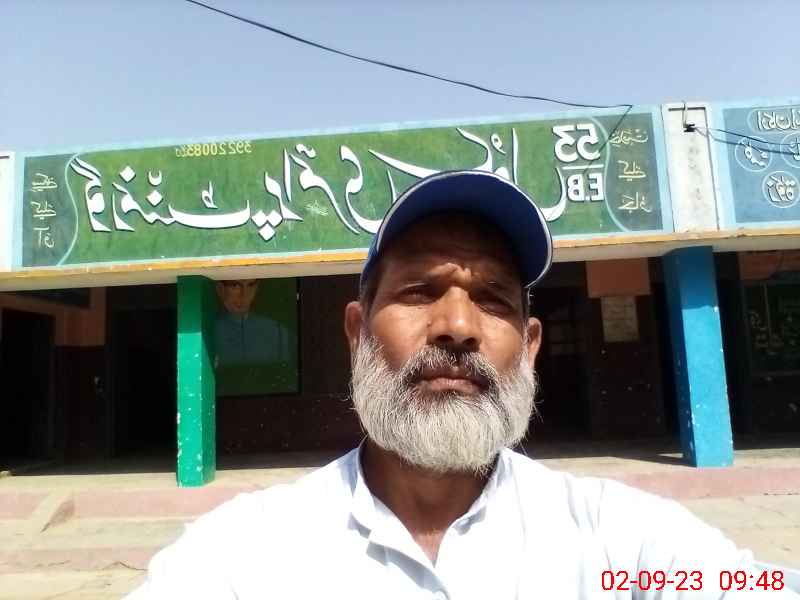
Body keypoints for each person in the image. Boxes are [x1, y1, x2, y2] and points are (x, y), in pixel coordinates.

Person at [128, 171, 796, 599]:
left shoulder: (618, 540)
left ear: (529, 348)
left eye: (494, 299)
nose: (456, 326)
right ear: (357, 333)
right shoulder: (246, 554)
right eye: (420, 291)